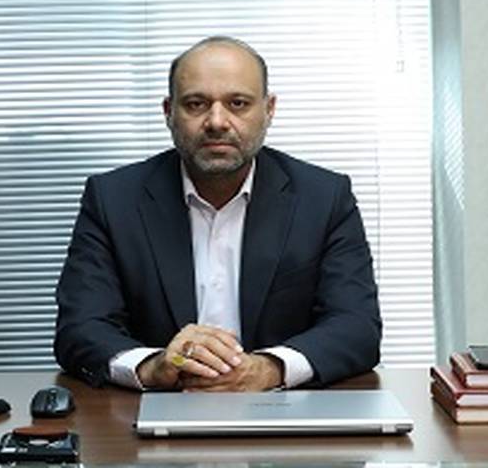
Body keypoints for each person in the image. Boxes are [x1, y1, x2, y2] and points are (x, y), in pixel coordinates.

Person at [53, 36, 382, 392]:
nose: (217, 121)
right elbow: (80, 328)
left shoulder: (325, 198)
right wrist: (153, 366)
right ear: (168, 112)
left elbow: (356, 326)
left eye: (238, 103)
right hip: (161, 406)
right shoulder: (113, 200)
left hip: (285, 409)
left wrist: (268, 369)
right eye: (196, 104)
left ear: (269, 109)